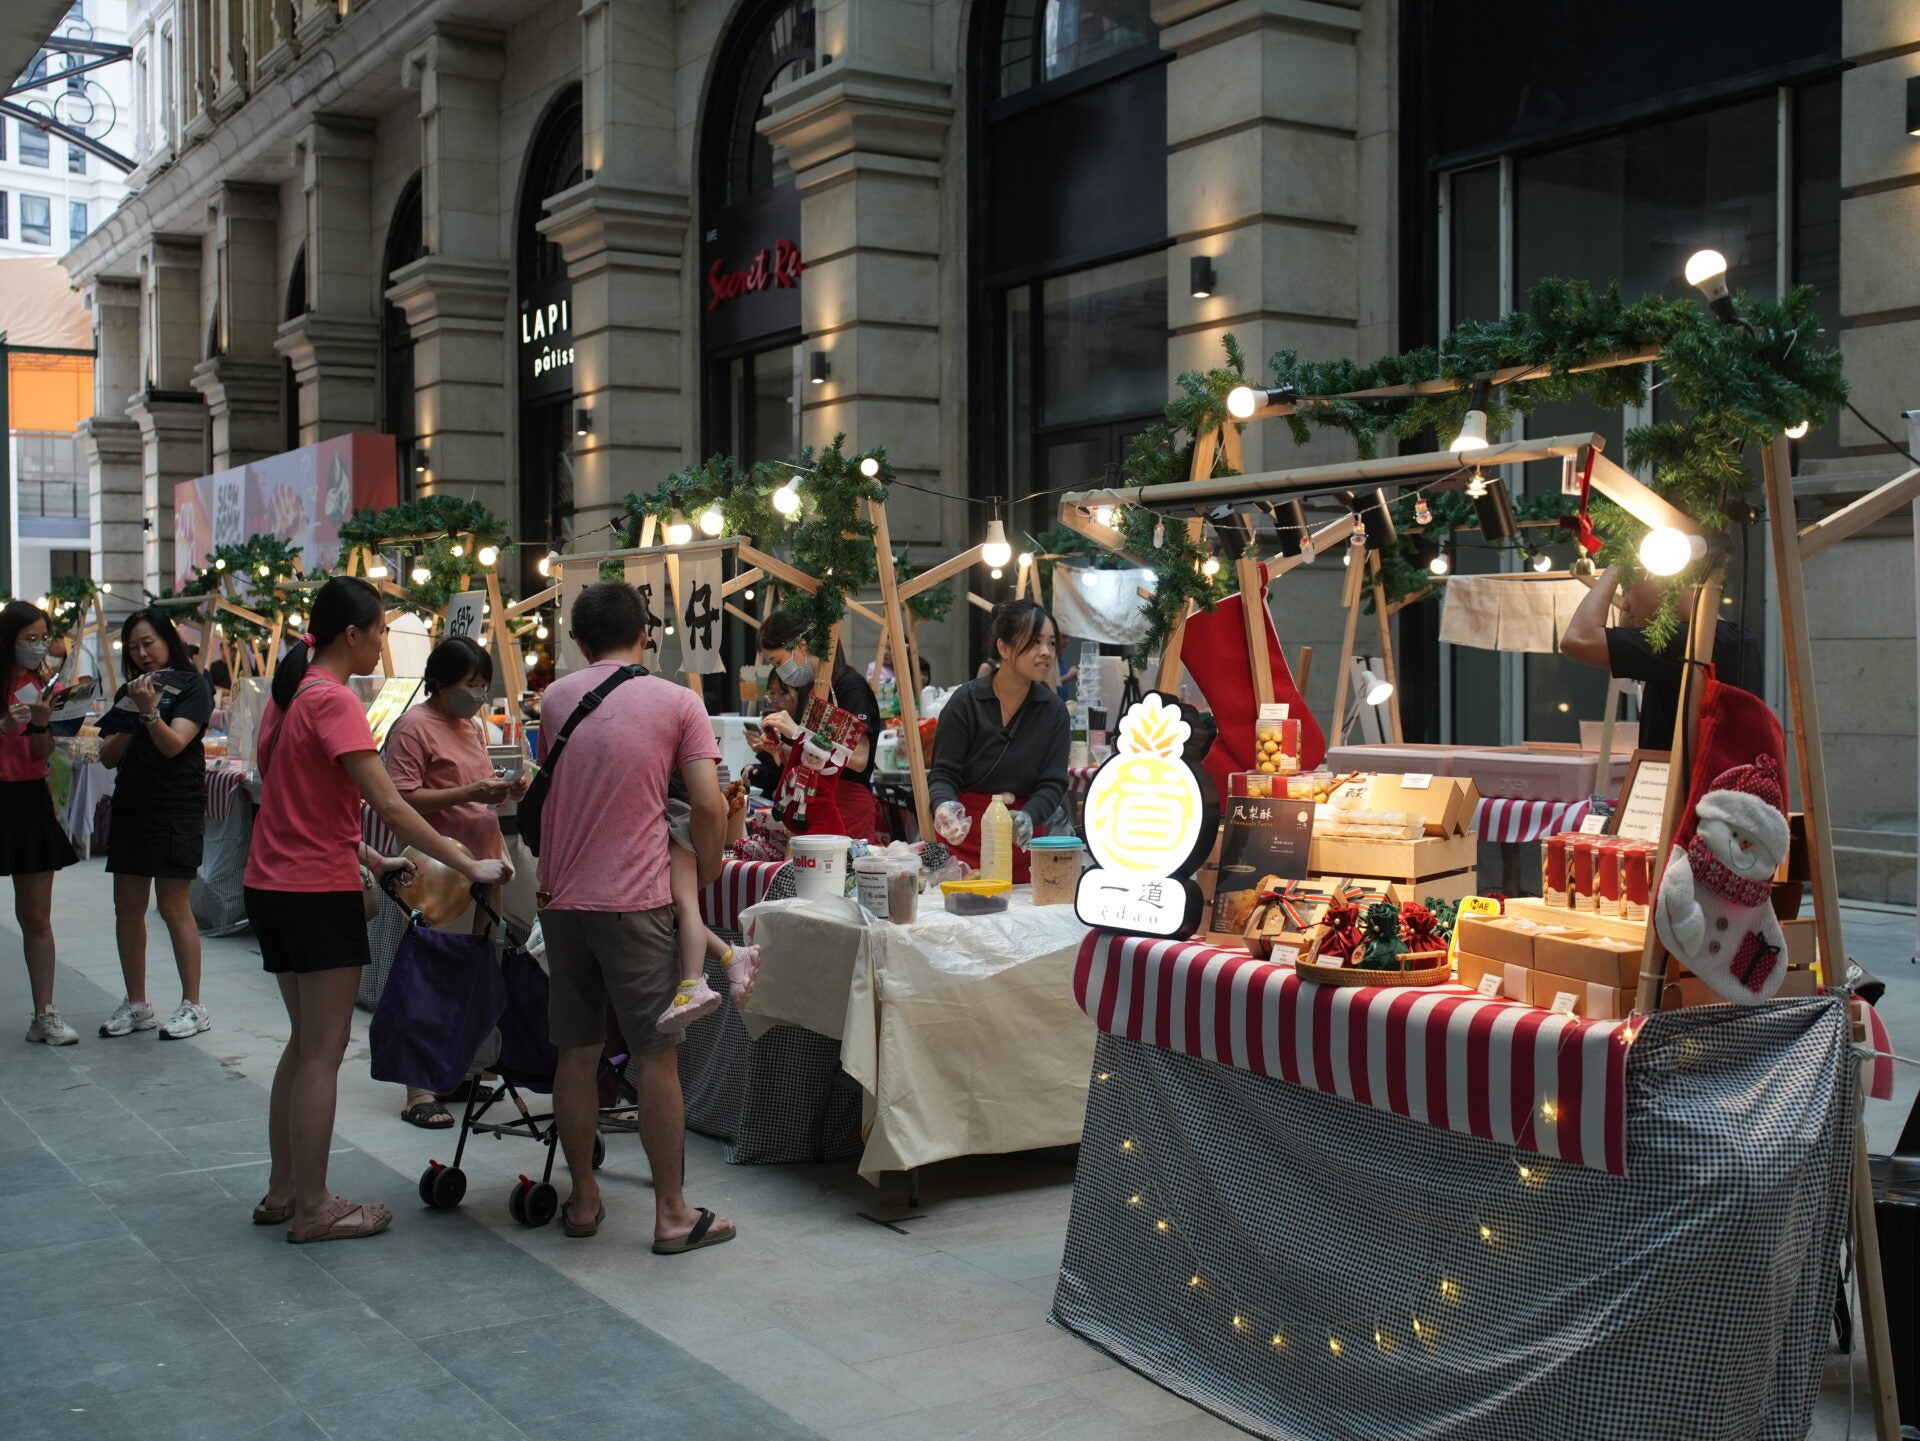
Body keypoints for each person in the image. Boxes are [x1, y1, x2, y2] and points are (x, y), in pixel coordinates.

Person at [244, 577, 509, 1245]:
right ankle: (314, 1205)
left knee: (303, 1045)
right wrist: (466, 859)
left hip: (273, 884)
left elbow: (299, 805)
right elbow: (391, 801)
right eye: (382, 628)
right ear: (351, 634)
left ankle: (283, 1190)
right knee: (321, 1054)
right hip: (312, 892)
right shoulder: (331, 700)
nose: (386, 640)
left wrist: (371, 859)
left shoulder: (292, 696)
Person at [537, 583, 732, 1248]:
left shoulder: (555, 698)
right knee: (657, 1057)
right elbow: (706, 804)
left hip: (562, 899)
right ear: (646, 634)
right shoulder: (680, 701)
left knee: (576, 1054)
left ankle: (585, 1201)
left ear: (578, 641)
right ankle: (672, 1212)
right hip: (635, 901)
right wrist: (707, 866)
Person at [379, 635, 530, 1127]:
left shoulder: (471, 726)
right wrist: (471, 789)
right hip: (440, 871)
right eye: (470, 685)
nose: (478, 695)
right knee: (433, 970)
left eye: (484, 685)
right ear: (441, 683)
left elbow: (476, 795)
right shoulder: (412, 727)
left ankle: (455, 1067)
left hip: (485, 861)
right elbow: (398, 801)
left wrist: (508, 786)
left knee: (474, 969)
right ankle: (419, 1089)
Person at [96, 608, 215, 1040]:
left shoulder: (193, 687)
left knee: (172, 905)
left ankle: (193, 1005)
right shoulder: (130, 692)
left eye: (149, 643)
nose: (142, 653)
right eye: (133, 647)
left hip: (175, 805)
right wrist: (132, 711)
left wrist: (149, 712)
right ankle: (137, 1003)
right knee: (126, 907)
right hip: (133, 804)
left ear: (168, 640)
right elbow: (108, 756)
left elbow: (174, 744)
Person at [928, 599, 1071, 883]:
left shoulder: (1054, 711)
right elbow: (944, 774)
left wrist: (1030, 815)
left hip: (1021, 841)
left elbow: (1052, 783)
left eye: (1051, 643)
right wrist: (944, 806)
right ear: (1004, 648)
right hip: (964, 836)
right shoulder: (965, 702)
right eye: (1034, 643)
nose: (1046, 653)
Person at [1559, 563, 1762, 750]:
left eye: (1627, 588)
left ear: (1663, 578)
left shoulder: (1687, 643)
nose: (1624, 604)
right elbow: (1621, 635)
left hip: (1686, 788)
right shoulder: (1731, 639)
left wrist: (1617, 566)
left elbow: (1578, 639)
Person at [1, 601, 79, 1045]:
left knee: (37, 915)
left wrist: (41, 725)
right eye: (29, 638)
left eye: (43, 637)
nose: (38, 646)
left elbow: (43, 753)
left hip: (29, 798)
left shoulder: (43, 684)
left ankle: (44, 1013)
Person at [755, 611, 881, 842]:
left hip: (847, 802)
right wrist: (781, 749)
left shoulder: (850, 687)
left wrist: (798, 733)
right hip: (812, 801)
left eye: (778, 662)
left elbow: (859, 759)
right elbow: (813, 757)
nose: (779, 671)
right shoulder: (810, 689)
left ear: (800, 647)